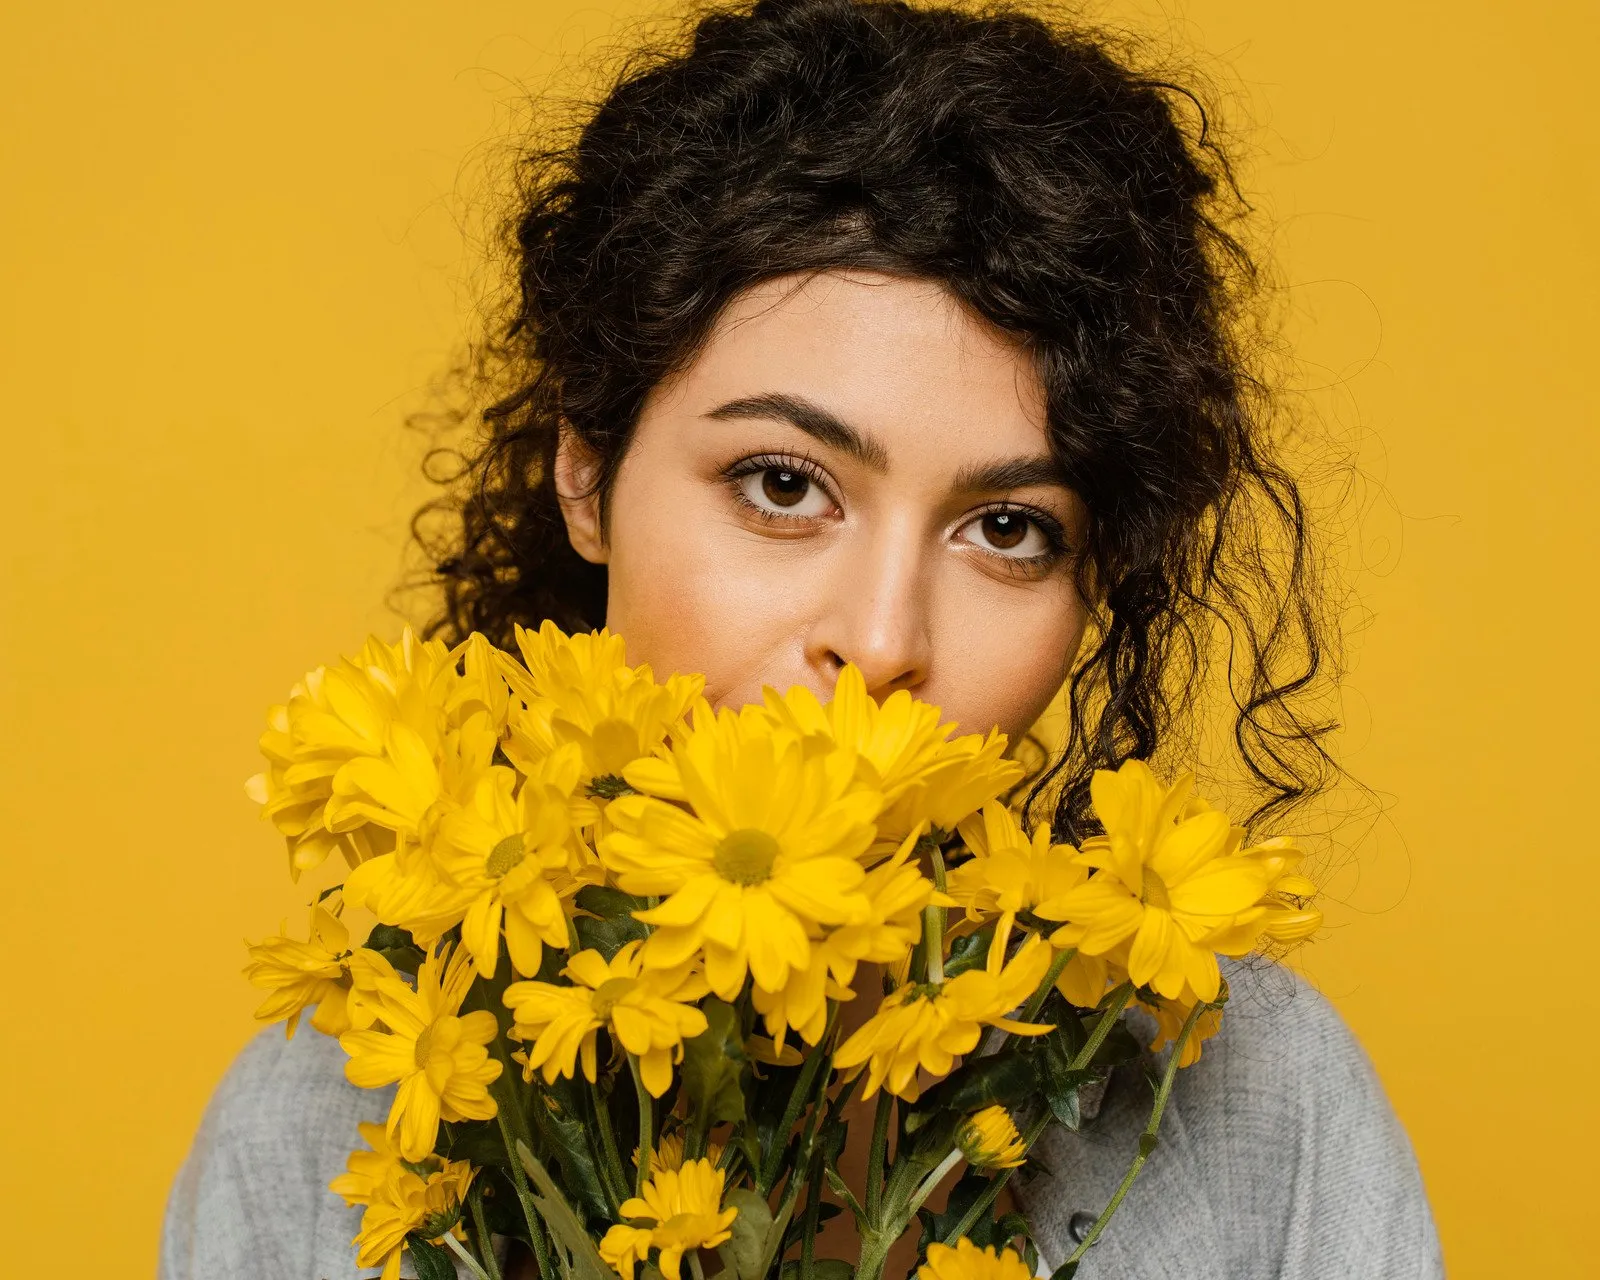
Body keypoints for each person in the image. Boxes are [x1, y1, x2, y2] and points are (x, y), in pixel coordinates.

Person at [160, 1, 1443, 1275]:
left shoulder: (1261, 1111)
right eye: (783, 485)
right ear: (588, 478)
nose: (882, 642)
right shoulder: (316, 1134)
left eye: (1005, 527)